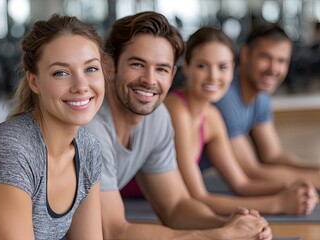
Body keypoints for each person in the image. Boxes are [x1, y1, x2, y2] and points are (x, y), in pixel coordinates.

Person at [85, 11, 272, 240]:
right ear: (109, 65)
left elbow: (176, 206)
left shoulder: (157, 117)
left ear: (173, 74)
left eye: (161, 69)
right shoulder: (90, 126)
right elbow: (113, 231)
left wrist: (231, 225)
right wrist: (218, 236)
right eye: (137, 64)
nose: (149, 79)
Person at [0, 14, 105, 240]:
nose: (81, 85)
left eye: (91, 69)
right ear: (34, 81)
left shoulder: (88, 149)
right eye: (61, 73)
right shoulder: (11, 152)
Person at [163, 26, 318, 216]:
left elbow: (242, 183)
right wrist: (278, 204)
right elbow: (197, 198)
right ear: (186, 68)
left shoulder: (212, 117)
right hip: (128, 195)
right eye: (202, 66)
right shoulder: (176, 108)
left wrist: (296, 188)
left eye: (222, 67)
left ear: (231, 70)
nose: (213, 76)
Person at [204, 23, 320, 190]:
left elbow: (273, 156)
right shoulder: (225, 97)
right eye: (265, 57)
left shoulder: (261, 97)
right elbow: (251, 172)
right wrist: (314, 180)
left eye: (281, 60)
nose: (273, 68)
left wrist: (315, 171)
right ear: (245, 54)